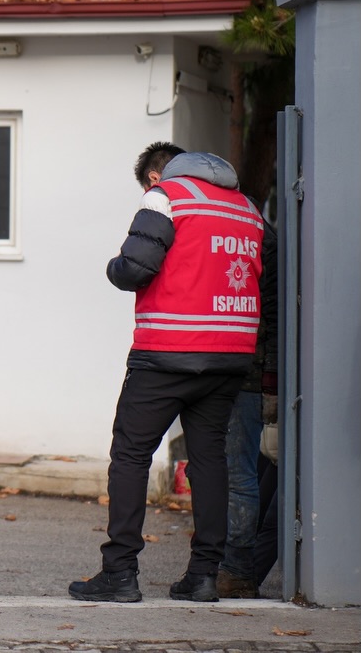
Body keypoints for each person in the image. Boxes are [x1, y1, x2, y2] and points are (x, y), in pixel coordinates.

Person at [69, 146, 273, 603]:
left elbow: (135, 269)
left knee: (131, 455)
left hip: (167, 351)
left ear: (157, 174)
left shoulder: (167, 196)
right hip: (230, 354)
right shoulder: (246, 209)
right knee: (209, 460)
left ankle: (119, 573)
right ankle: (203, 575)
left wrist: (113, 267)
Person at [218, 214, 278, 598]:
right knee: (242, 473)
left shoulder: (247, 227)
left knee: (241, 473)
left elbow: (271, 311)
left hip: (243, 371)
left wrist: (270, 382)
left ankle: (238, 570)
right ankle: (233, 568)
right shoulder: (253, 225)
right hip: (242, 368)